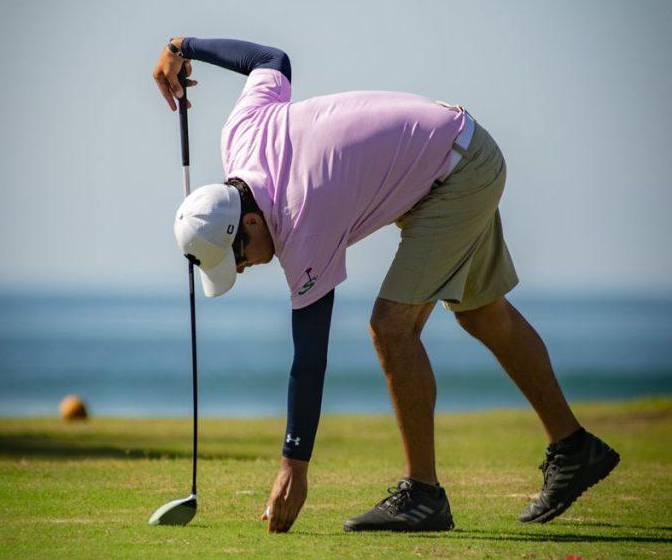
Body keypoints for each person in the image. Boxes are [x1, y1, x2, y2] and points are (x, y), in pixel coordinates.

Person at [152, 36, 620, 534]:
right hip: (453, 151)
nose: (243, 270)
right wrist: (185, 46)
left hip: (457, 171)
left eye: (238, 260)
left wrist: (294, 464)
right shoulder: (240, 137)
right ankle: (574, 447)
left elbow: (309, 357)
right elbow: (271, 61)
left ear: (249, 224)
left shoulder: (302, 216)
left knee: (392, 328)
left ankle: (423, 495)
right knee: (482, 312)